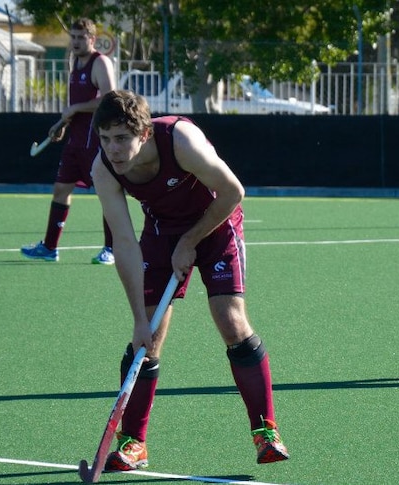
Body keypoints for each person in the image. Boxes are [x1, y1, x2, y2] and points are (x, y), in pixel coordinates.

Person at [89, 90, 289, 471]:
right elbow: (125, 243)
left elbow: (233, 191)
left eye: (121, 139)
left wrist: (190, 240)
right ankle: (133, 444)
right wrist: (137, 319)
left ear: (144, 134)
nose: (112, 149)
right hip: (161, 232)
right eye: (104, 139)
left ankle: (266, 431)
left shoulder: (180, 140)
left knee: (231, 322)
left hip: (216, 222)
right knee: (147, 336)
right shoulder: (104, 169)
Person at [21, 18, 116, 264]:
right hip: (75, 141)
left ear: (92, 39)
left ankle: (111, 249)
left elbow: (108, 99)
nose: (75, 41)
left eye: (80, 37)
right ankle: (50, 248)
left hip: (96, 140)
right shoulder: (75, 62)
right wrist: (61, 124)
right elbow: (75, 107)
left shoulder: (100, 63)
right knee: (61, 189)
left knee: (106, 193)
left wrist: (75, 108)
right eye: (73, 37)